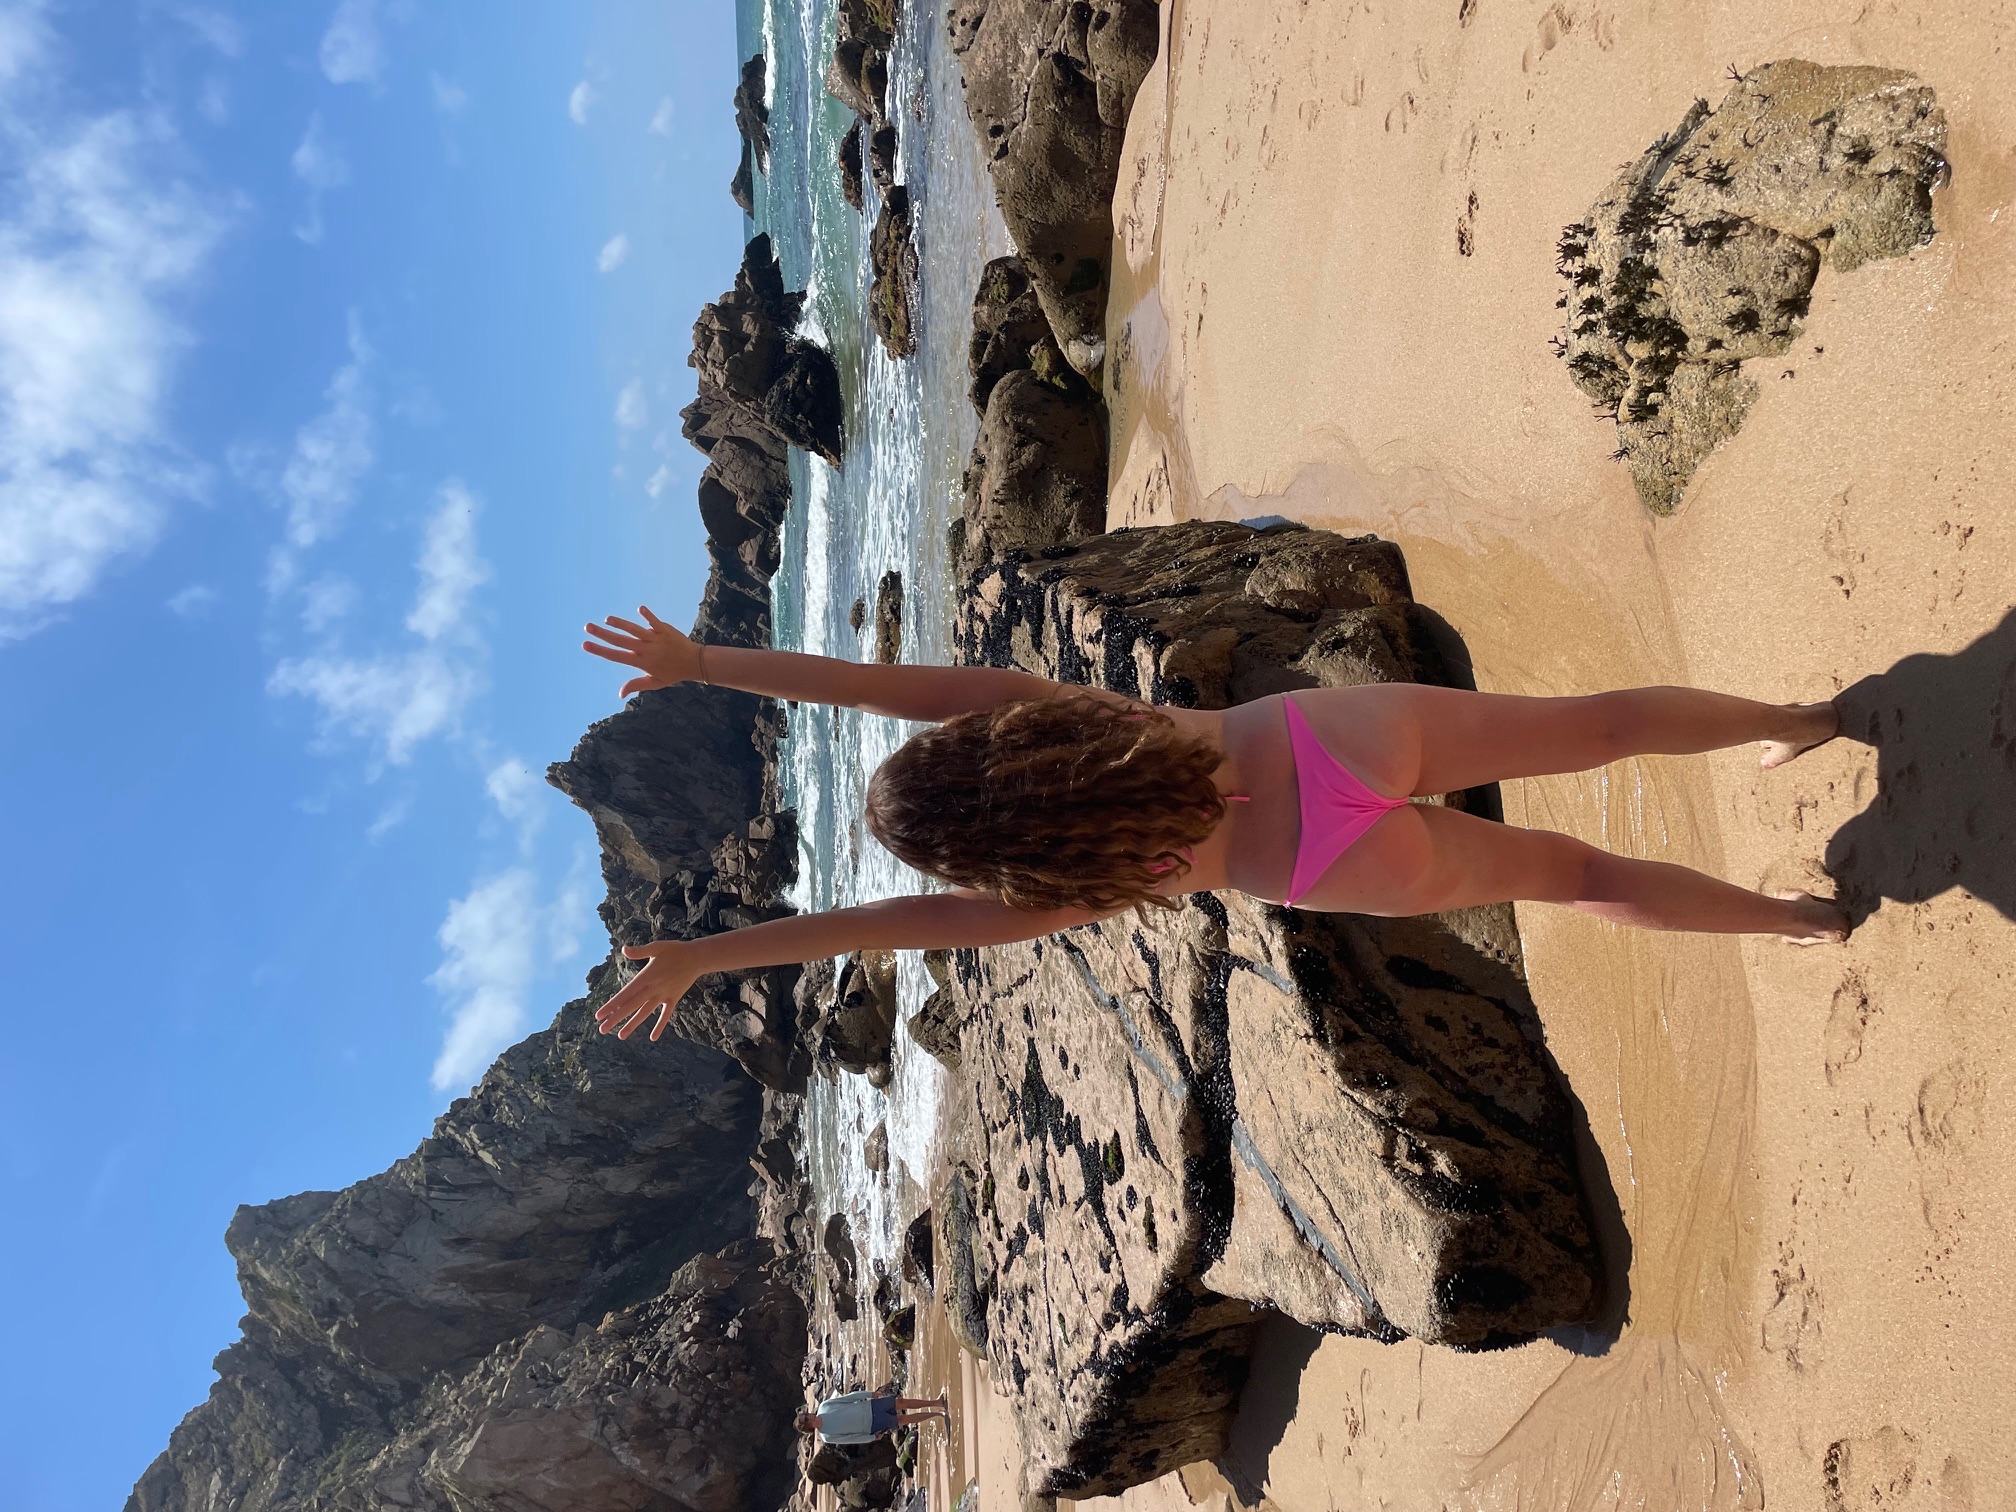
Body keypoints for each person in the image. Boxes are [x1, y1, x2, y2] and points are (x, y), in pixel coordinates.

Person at [580, 607, 1850, 1042]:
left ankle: (1795, 917)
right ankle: (1796, 717)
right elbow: (879, 687)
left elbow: (877, 925)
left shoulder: (1049, 888)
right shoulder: (1051, 714)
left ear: (976, 848)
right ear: (972, 750)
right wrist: (703, 659)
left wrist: (709, 955)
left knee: (1574, 876)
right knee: (1601, 723)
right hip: (1324, 741)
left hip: (1318, 862)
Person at [796, 1388, 950, 1444]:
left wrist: (871, 1394)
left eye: (807, 1414)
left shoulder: (824, 1406)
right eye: (807, 1419)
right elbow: (851, 1439)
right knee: (903, 1420)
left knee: (901, 1402)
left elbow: (849, 1398)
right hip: (871, 1425)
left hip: (869, 1406)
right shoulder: (827, 1437)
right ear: (808, 1426)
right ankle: (937, 1414)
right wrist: (871, 1438)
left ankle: (936, 1402)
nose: (810, 1415)